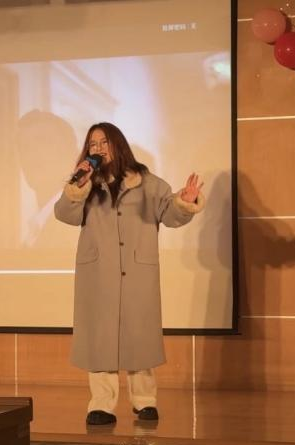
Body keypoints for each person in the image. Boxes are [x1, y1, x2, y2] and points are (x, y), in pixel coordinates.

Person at [53, 122, 205, 426]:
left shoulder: (148, 183)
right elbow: (64, 214)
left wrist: (184, 202)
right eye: (92, 144)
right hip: (98, 273)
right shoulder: (86, 185)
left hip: (137, 273)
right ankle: (101, 404)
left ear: (118, 145)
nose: (98, 149)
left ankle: (144, 401)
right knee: (99, 337)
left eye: (104, 143)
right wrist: (77, 186)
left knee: (140, 335)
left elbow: (170, 214)